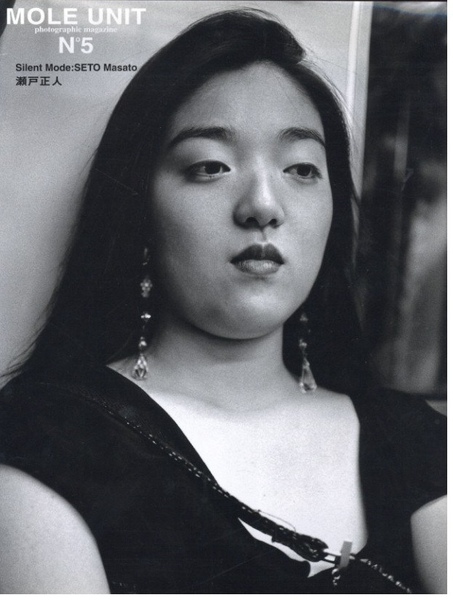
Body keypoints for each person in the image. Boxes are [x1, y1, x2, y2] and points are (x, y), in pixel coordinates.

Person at [0, 9, 446, 594]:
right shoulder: (48, 438)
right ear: (138, 209)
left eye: (301, 169)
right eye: (210, 166)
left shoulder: (414, 440)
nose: (263, 205)